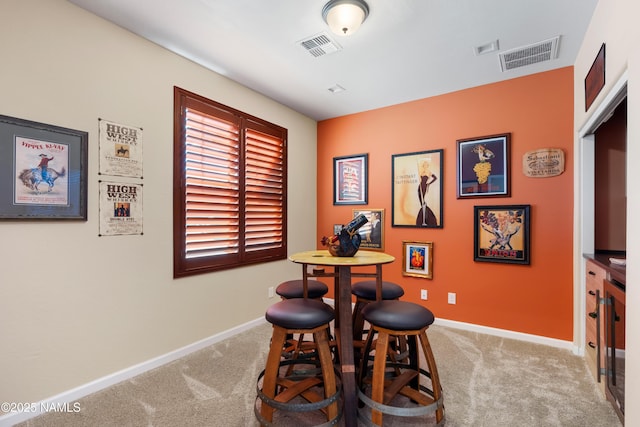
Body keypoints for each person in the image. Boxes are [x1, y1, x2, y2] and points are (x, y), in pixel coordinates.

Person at [416, 159, 438, 226]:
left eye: (426, 164)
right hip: (420, 187)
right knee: (421, 202)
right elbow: (420, 179)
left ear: (427, 165)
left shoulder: (429, 172)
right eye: (424, 164)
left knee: (424, 202)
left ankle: (426, 217)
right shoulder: (421, 172)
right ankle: (423, 217)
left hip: (424, 187)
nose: (425, 165)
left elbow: (435, 178)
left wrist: (429, 183)